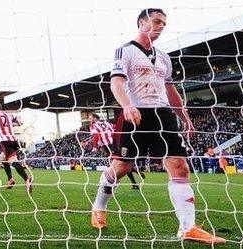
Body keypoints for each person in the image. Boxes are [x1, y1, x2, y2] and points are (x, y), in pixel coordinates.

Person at [89, 9, 225, 244]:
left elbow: (170, 90)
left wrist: (184, 117)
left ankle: (188, 227)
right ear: (142, 22)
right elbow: (116, 82)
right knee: (121, 168)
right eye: (156, 21)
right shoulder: (126, 50)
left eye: (163, 23)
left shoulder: (164, 57)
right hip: (135, 115)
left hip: (163, 116)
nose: (161, 26)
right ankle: (99, 207)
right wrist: (128, 105)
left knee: (180, 167)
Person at [0, 102, 32, 193]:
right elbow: (20, 122)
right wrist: (14, 124)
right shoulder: (8, 114)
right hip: (14, 141)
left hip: (4, 141)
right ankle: (10, 179)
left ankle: (26, 178)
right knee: (2, 158)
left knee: (13, 161)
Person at [84, 114, 145, 189]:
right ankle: (134, 181)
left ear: (95, 118)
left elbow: (96, 135)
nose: (89, 120)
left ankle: (110, 183)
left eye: (90, 118)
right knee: (121, 163)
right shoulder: (107, 123)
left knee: (118, 165)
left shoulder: (93, 126)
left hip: (107, 146)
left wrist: (95, 147)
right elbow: (116, 128)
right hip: (116, 143)